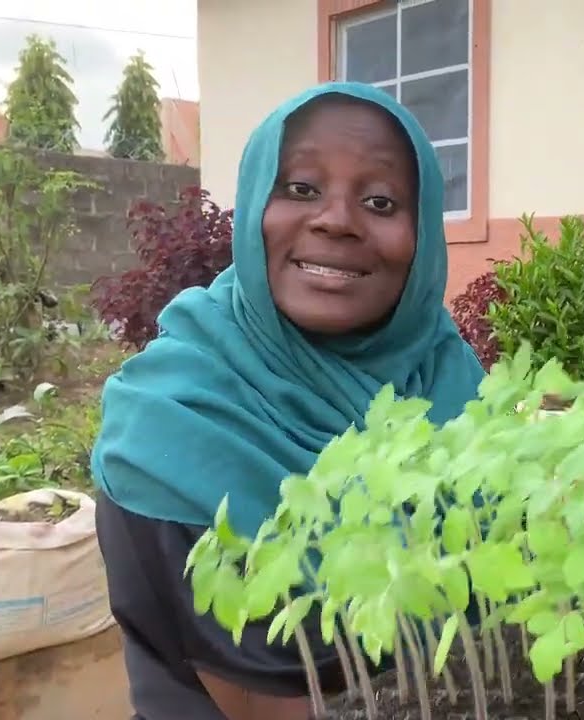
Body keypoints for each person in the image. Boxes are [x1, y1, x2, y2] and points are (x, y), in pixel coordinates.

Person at [90, 82, 486, 720]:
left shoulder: (452, 381)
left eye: (381, 201)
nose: (335, 219)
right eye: (301, 188)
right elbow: (273, 699)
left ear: (423, 236)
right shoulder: (170, 417)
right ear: (253, 210)